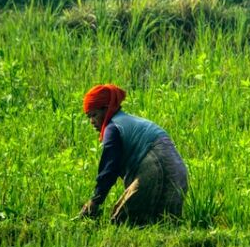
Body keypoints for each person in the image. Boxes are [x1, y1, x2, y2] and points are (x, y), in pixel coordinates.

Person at [78, 84, 188, 225]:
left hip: (157, 163)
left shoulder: (113, 128)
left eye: (94, 115)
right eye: (88, 117)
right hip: (178, 171)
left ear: (107, 109)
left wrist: (95, 201)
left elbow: (110, 168)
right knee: (164, 224)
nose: (91, 121)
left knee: (122, 222)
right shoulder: (128, 122)